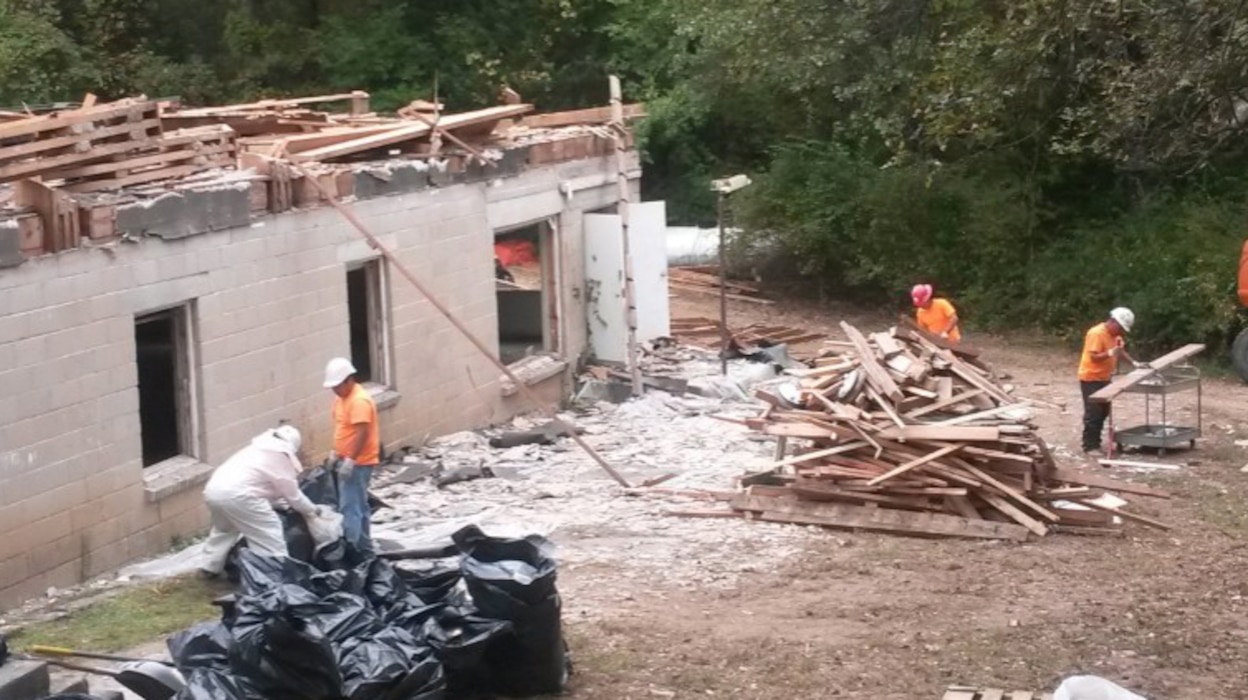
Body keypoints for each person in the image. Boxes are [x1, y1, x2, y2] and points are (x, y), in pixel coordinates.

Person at [200, 425, 321, 576]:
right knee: (268, 534)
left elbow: (259, 485)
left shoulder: (253, 451)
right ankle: (272, 577)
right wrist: (312, 510)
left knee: (224, 529)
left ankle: (209, 566)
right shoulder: (279, 459)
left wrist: (279, 503)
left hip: (213, 491)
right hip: (240, 497)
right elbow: (294, 497)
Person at [324, 357, 380, 554]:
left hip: (359, 462)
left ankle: (352, 551)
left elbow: (362, 433)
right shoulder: (341, 399)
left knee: (350, 507)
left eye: (338, 386)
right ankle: (364, 548)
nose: (335, 390)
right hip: (347, 459)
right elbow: (342, 428)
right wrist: (335, 452)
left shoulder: (359, 401)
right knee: (359, 505)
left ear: (349, 380)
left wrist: (351, 460)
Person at [1078, 307, 1146, 455]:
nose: (1120, 331)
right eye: (1120, 327)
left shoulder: (1115, 335)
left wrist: (1134, 363)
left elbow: (1120, 350)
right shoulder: (1096, 333)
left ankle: (1096, 442)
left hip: (1104, 377)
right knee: (1093, 412)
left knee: (1104, 411)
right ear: (1113, 321)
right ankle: (1089, 446)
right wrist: (1110, 353)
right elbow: (1093, 357)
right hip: (1090, 378)